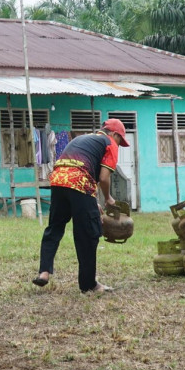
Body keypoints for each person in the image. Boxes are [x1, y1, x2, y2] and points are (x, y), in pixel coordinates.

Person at [32, 118, 129, 293]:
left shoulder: (83, 138)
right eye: (120, 140)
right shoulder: (110, 144)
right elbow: (103, 177)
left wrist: (93, 200)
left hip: (58, 179)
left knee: (54, 227)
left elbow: (82, 168)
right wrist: (108, 198)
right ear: (114, 134)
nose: (120, 145)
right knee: (88, 233)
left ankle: (44, 272)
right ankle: (89, 284)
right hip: (78, 181)